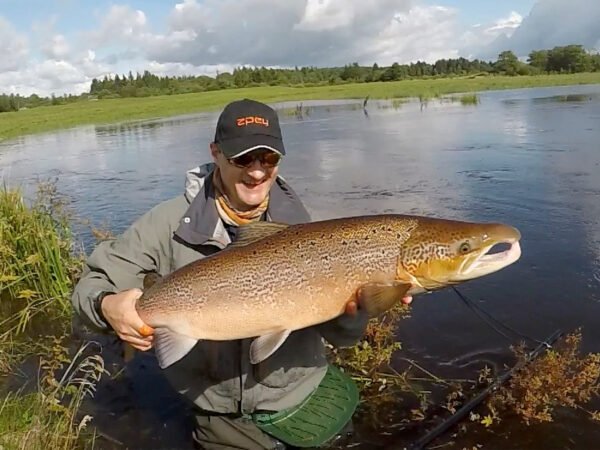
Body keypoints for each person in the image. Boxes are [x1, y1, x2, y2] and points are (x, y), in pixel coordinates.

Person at [71, 98, 412, 449]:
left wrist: (359, 312)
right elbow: (91, 284)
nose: (257, 172)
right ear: (215, 153)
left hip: (302, 401)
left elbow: (340, 336)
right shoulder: (167, 224)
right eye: (243, 158)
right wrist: (106, 306)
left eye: (269, 158)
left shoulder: (303, 230)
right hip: (218, 421)